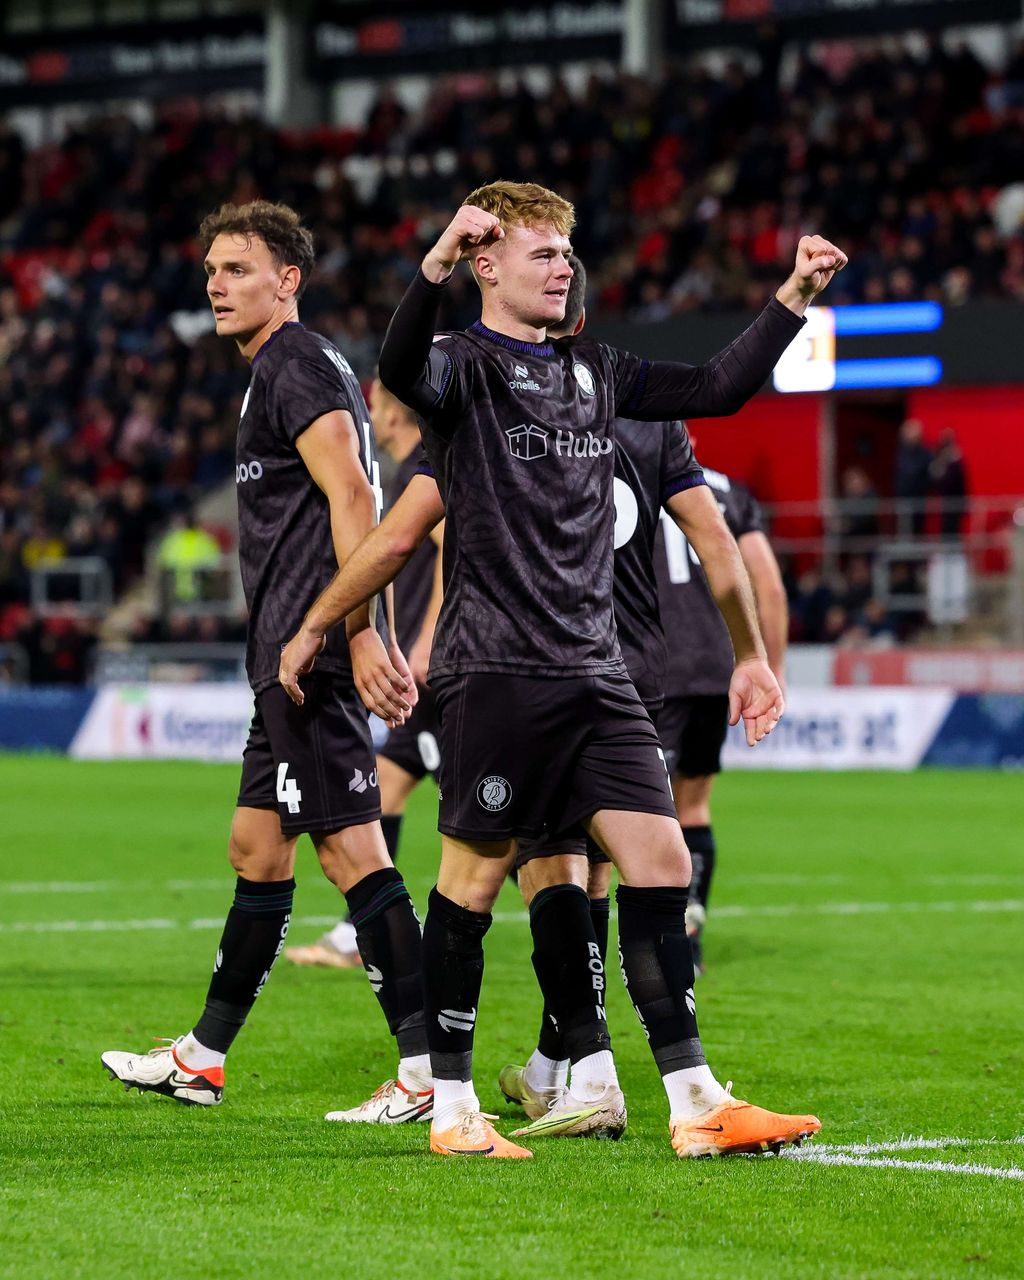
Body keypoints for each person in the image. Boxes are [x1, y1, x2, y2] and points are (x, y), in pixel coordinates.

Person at [281, 181, 846, 1159]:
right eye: (540, 252)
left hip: (600, 673)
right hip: (497, 673)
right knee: (468, 880)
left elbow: (716, 386)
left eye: (566, 253)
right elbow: (402, 366)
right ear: (487, 266)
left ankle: (695, 1098)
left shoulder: (597, 366)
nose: (560, 268)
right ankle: (455, 1109)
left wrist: (792, 295)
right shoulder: (460, 368)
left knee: (661, 860)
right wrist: (431, 264)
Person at [101, 200, 433, 1124]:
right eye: (212, 268)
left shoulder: (293, 366)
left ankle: (425, 1075)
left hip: (307, 653)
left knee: (353, 854)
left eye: (239, 268)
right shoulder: (292, 369)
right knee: (257, 849)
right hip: (287, 653)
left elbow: (360, 499)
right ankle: (201, 1059)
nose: (217, 282)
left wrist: (360, 633)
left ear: (288, 280)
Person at [285, 379, 445, 974]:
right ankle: (358, 932)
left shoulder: (415, 477)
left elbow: (454, 547)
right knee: (386, 787)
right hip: (429, 671)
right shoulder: (407, 473)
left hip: (439, 669)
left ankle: (579, 903)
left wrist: (430, 637)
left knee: (501, 830)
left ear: (389, 410)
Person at [654, 462, 788, 975]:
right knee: (694, 807)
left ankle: (650, 941)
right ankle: (689, 939)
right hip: (717, 668)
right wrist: (771, 667)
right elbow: (769, 586)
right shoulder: (732, 492)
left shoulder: (625, 467)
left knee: (639, 812)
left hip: (655, 665)